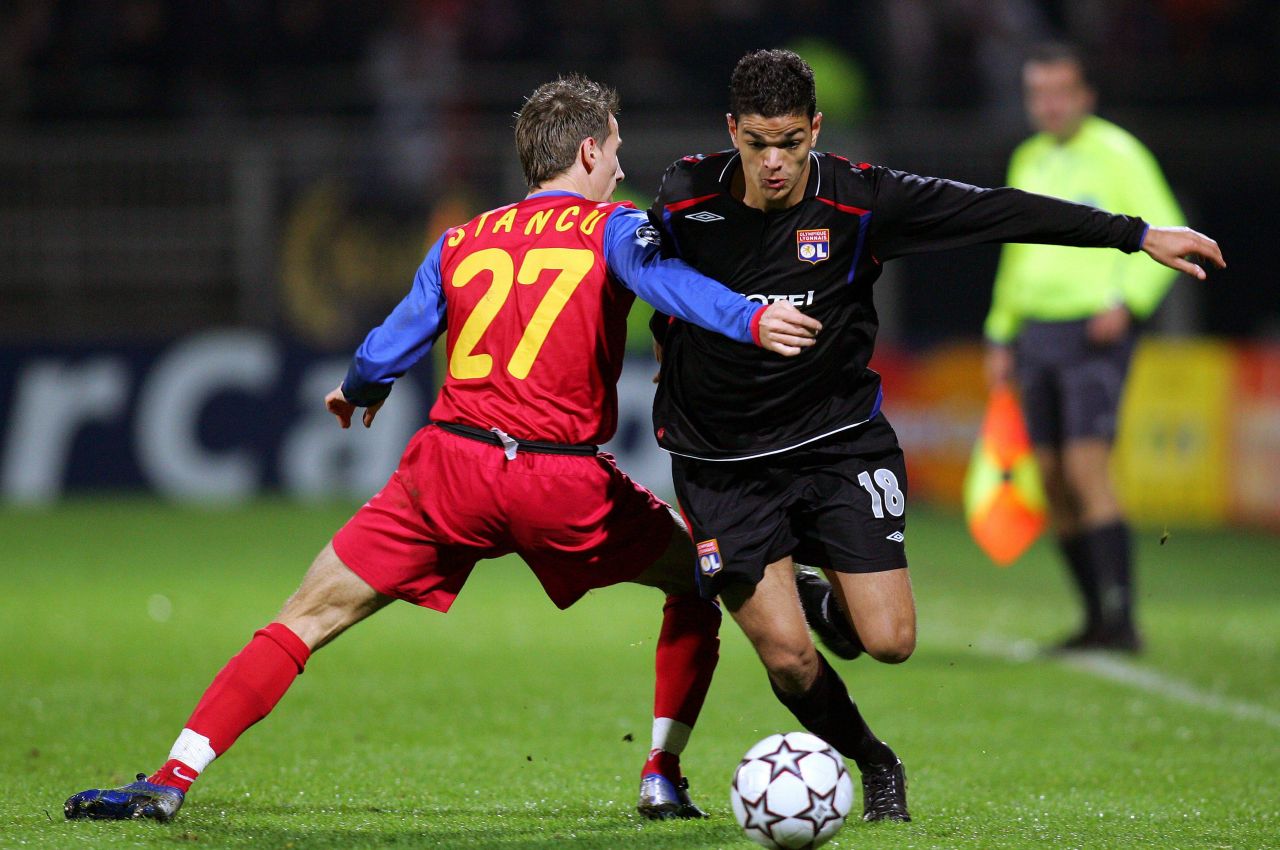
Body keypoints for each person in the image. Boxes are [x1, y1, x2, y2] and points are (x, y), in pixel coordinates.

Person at [64, 74, 823, 824]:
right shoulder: (614, 227)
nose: (622, 168)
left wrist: (359, 391)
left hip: (449, 472)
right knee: (698, 578)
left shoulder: (464, 236)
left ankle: (171, 777)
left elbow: (380, 352)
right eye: (616, 151)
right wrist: (753, 320)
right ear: (589, 150)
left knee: (304, 617)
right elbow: (675, 288)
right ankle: (661, 771)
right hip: (560, 481)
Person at [647, 48, 1223, 824]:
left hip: (835, 443)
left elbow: (998, 210)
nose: (775, 162)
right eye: (757, 143)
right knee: (785, 658)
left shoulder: (862, 201)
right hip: (721, 462)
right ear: (731, 132)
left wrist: (1134, 235)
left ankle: (829, 608)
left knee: (888, 639)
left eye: (791, 141)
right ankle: (875, 761)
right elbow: (625, 270)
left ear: (815, 128)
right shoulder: (684, 199)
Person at [983, 43, 1185, 652]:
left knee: (1085, 467)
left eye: (1059, 91)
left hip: (1093, 336)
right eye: (1036, 93)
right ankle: (1095, 616)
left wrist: (1126, 300)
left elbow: (1165, 227)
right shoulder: (1028, 158)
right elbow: (1016, 251)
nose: (1047, 104)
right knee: (1050, 477)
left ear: (1084, 96)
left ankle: (1123, 620)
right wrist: (1000, 330)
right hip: (1035, 335)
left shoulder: (1118, 153)